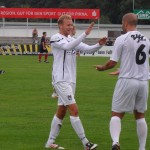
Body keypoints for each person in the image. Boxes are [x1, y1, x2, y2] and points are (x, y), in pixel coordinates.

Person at [45, 14, 107, 150]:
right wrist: (85, 34)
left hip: (71, 81)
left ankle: (50, 142)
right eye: (68, 25)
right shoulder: (55, 38)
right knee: (74, 110)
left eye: (71, 24)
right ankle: (86, 143)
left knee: (61, 111)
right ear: (60, 25)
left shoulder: (72, 39)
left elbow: (89, 49)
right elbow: (68, 47)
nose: (70, 27)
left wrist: (99, 44)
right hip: (61, 80)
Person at [95, 13, 150, 150]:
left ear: (125, 23)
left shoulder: (122, 38)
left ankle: (115, 142)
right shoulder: (146, 39)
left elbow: (112, 62)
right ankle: (142, 148)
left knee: (117, 114)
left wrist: (102, 68)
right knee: (140, 115)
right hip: (143, 82)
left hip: (127, 81)